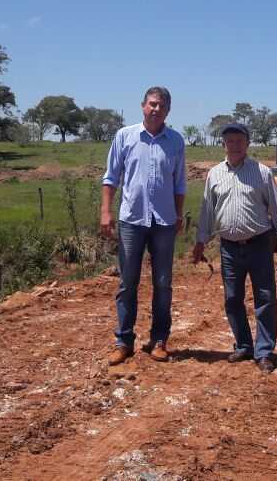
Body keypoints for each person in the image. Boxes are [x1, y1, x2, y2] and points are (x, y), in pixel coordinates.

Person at [191, 122, 277, 372]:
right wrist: (200, 242)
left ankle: (264, 352)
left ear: (247, 144)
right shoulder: (215, 174)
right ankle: (244, 346)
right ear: (223, 144)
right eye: (229, 141)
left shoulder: (262, 172)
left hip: (258, 244)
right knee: (233, 298)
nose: (234, 145)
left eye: (239, 141)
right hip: (228, 248)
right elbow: (207, 211)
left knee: (266, 298)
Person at [101, 86, 186, 365]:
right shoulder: (125, 136)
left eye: (161, 106)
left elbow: (179, 184)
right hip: (131, 220)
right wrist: (106, 211)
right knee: (128, 282)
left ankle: (159, 340)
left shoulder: (176, 141)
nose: (156, 109)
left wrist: (178, 215)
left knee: (163, 283)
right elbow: (111, 177)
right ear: (142, 106)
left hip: (163, 221)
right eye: (152, 104)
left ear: (168, 110)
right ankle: (123, 341)